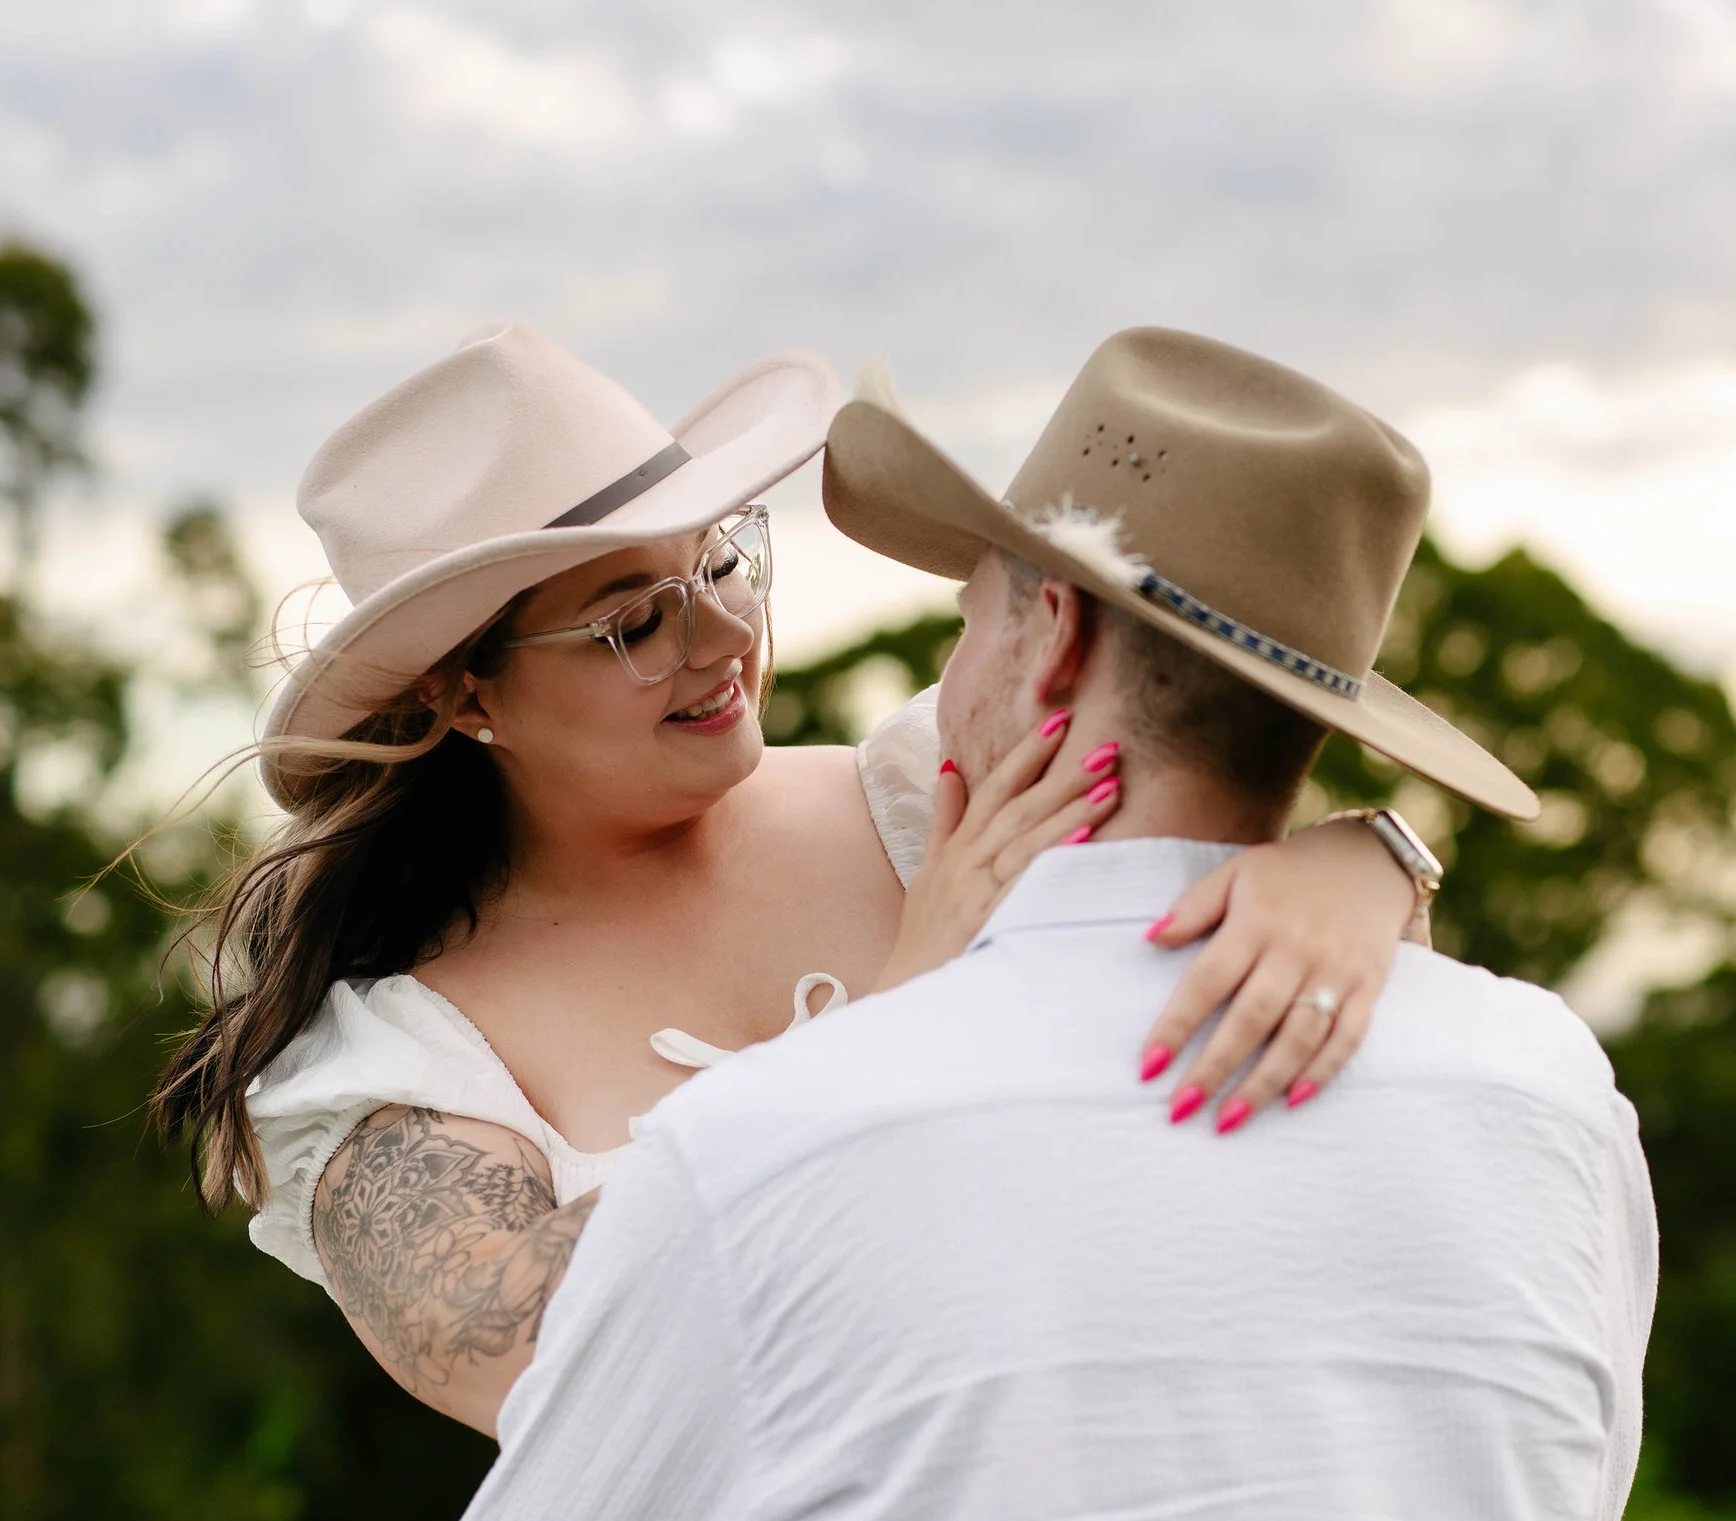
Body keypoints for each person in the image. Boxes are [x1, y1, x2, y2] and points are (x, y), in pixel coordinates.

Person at [370, 327, 1659, 1521]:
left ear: (1051, 634)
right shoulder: (1553, 1091)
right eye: (632, 620)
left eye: (971, 604)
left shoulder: (754, 1157)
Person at [154, 325, 1438, 1438]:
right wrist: (910, 1013)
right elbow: (544, 1362)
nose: (721, 636)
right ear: (462, 690)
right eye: (631, 621)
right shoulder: (397, 1052)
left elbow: (1224, 783)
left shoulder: (942, 784)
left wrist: (1361, 863)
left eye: (718, 562)